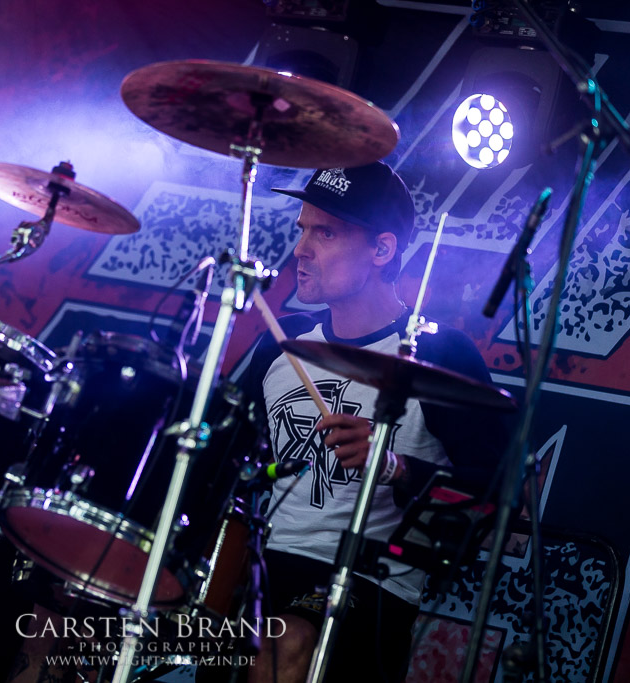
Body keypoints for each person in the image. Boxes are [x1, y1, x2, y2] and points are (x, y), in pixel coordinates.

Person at [241, 161, 509, 682]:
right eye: (302, 229)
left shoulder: (438, 354)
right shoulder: (283, 343)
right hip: (261, 565)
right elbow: (229, 464)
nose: (301, 249)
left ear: (382, 250)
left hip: (368, 585)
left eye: (326, 232)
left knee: (284, 643)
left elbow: (499, 494)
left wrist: (393, 467)